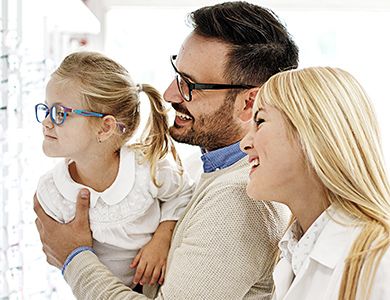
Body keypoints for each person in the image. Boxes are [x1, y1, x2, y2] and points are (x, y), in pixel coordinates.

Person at [34, 2, 299, 299]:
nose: (170, 94)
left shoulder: (240, 201)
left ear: (249, 103)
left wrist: (74, 257)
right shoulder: (206, 170)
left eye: (190, 85)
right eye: (177, 75)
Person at [34, 51, 193, 287]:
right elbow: (57, 253)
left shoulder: (147, 168)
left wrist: (162, 238)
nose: (47, 121)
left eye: (59, 113)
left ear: (105, 127)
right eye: (46, 110)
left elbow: (182, 195)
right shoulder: (51, 191)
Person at [240, 66, 390, 299]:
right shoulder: (293, 255)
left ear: (312, 132)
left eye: (260, 121)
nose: (245, 143)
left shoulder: (381, 260)